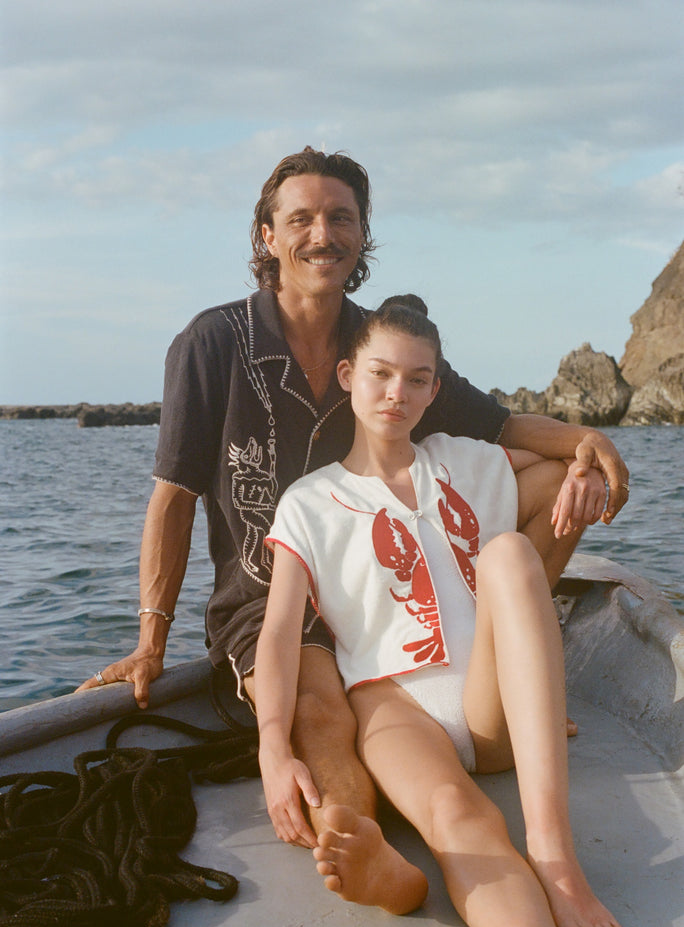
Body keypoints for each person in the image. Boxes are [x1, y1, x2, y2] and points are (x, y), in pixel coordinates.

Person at [77, 146, 629, 861]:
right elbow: (173, 498)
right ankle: (357, 840)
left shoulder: (380, 347)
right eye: (300, 218)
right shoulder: (212, 343)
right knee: (316, 708)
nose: (322, 234)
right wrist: (152, 641)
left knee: (555, 482)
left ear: (363, 235)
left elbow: (503, 426)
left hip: (386, 576)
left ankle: (516, 681)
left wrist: (587, 444)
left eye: (341, 217)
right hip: (276, 592)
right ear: (266, 237)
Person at [254, 296, 626, 927]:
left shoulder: (471, 462)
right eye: (382, 374)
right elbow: (277, 634)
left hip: (486, 699)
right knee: (457, 814)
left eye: (418, 379)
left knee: (511, 551)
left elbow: (567, 457)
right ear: (348, 374)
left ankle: (554, 855)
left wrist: (584, 466)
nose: (398, 393)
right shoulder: (310, 500)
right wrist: (273, 745)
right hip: (393, 706)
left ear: (434, 390)